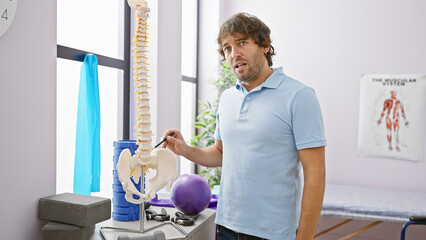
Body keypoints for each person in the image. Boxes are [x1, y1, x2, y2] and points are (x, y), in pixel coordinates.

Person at [162, 13, 326, 240]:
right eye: (227, 48)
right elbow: (221, 153)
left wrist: (306, 237)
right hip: (226, 227)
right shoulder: (228, 98)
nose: (234, 54)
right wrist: (186, 150)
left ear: (265, 44)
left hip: (273, 234)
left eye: (241, 43)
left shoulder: (300, 96)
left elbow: (315, 173)